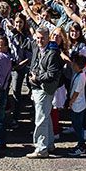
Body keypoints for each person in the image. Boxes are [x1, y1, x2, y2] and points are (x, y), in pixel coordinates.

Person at [26, 26, 63, 158]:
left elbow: (51, 74)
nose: (40, 41)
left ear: (48, 38)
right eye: (38, 38)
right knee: (45, 116)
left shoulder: (52, 53)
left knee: (40, 119)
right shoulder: (37, 47)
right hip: (37, 87)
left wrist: (37, 78)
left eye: (43, 38)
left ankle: (41, 148)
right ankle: (50, 144)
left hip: (45, 88)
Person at [65, 53, 86, 156]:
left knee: (77, 125)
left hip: (78, 104)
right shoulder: (78, 73)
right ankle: (81, 143)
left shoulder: (81, 76)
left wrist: (71, 101)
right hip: (77, 104)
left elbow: (76, 92)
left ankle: (81, 144)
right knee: (76, 124)